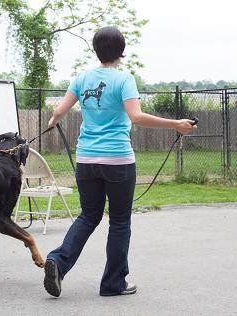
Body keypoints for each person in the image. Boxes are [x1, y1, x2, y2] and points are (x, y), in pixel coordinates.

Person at [43, 26, 197, 297]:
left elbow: (59, 110)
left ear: (96, 50)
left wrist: (54, 119)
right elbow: (135, 117)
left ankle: (58, 260)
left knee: (88, 216)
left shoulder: (82, 77)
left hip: (87, 159)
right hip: (117, 160)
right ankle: (113, 283)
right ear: (122, 52)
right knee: (119, 221)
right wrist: (175, 124)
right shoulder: (124, 79)